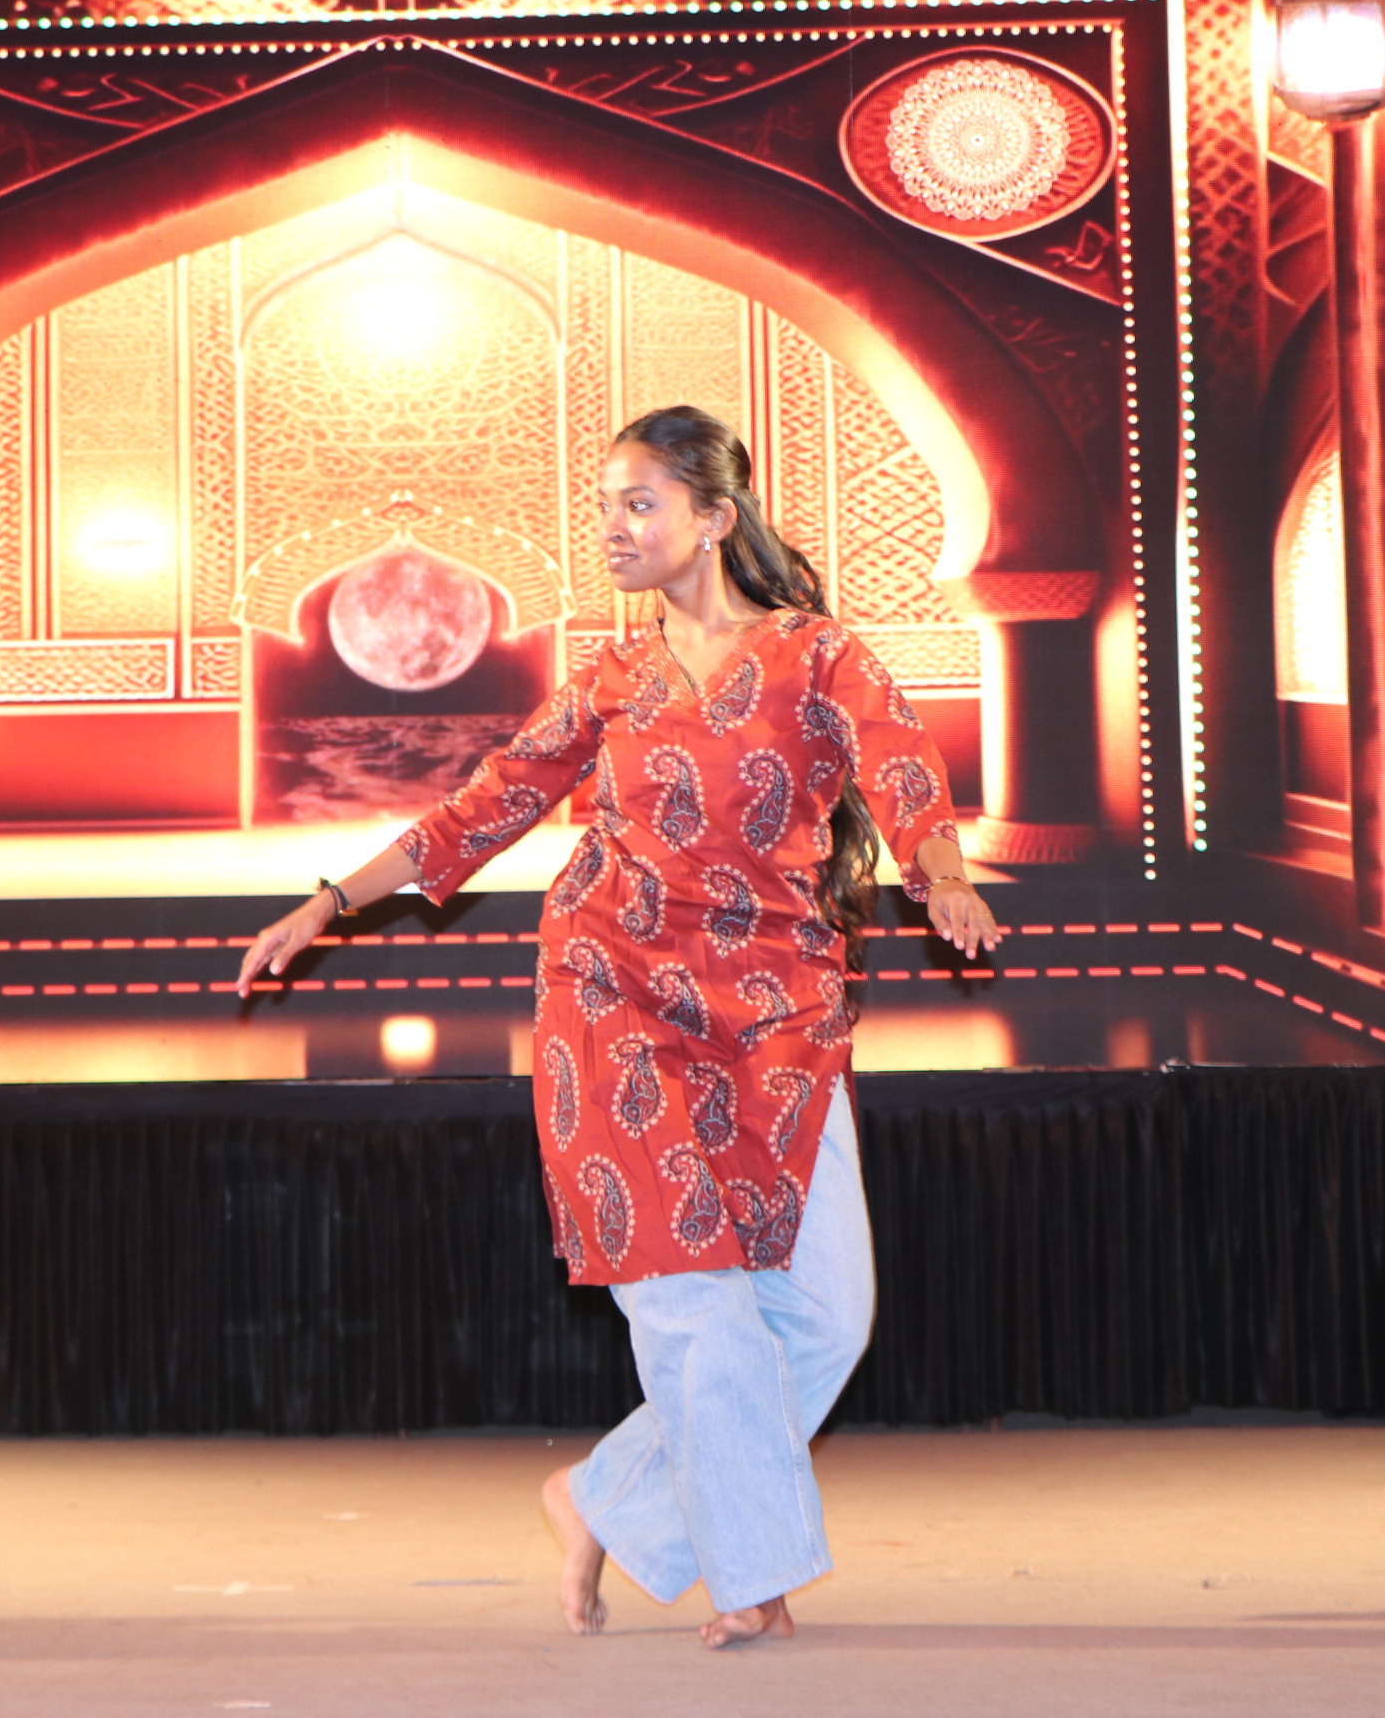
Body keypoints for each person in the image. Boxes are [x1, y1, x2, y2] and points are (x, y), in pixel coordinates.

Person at [238, 404, 1001, 1650]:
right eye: (604, 505)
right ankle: (749, 1577)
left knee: (825, 1314)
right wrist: (327, 903)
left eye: (639, 503)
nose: (613, 526)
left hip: (779, 1014)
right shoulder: (610, 678)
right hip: (613, 997)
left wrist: (944, 873)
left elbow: (901, 762)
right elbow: (480, 811)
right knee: (694, 1298)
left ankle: (603, 1499)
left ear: (715, 517)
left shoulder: (818, 656)